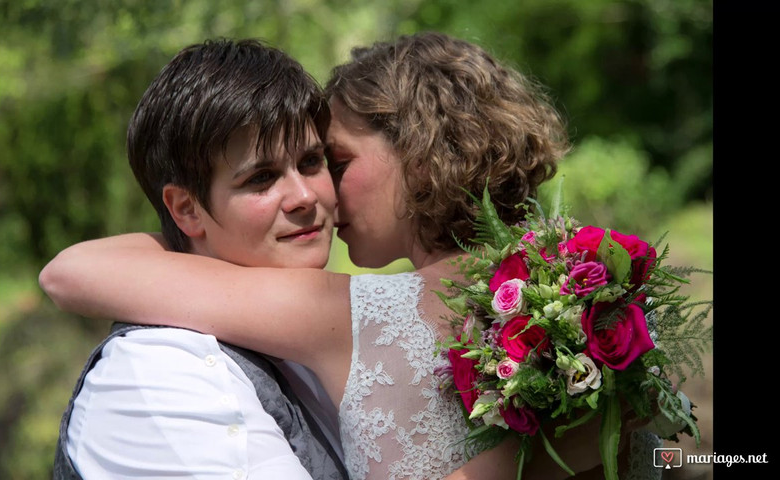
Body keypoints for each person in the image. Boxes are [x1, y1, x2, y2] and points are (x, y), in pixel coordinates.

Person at [41, 32, 660, 479]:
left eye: (326, 163)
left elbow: (70, 272)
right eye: (263, 179)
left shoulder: (346, 312)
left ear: (416, 156)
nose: (316, 195)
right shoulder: (603, 302)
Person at [46, 38, 349, 480]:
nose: (304, 197)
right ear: (187, 209)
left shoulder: (290, 332)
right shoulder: (162, 375)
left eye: (310, 161)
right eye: (261, 178)